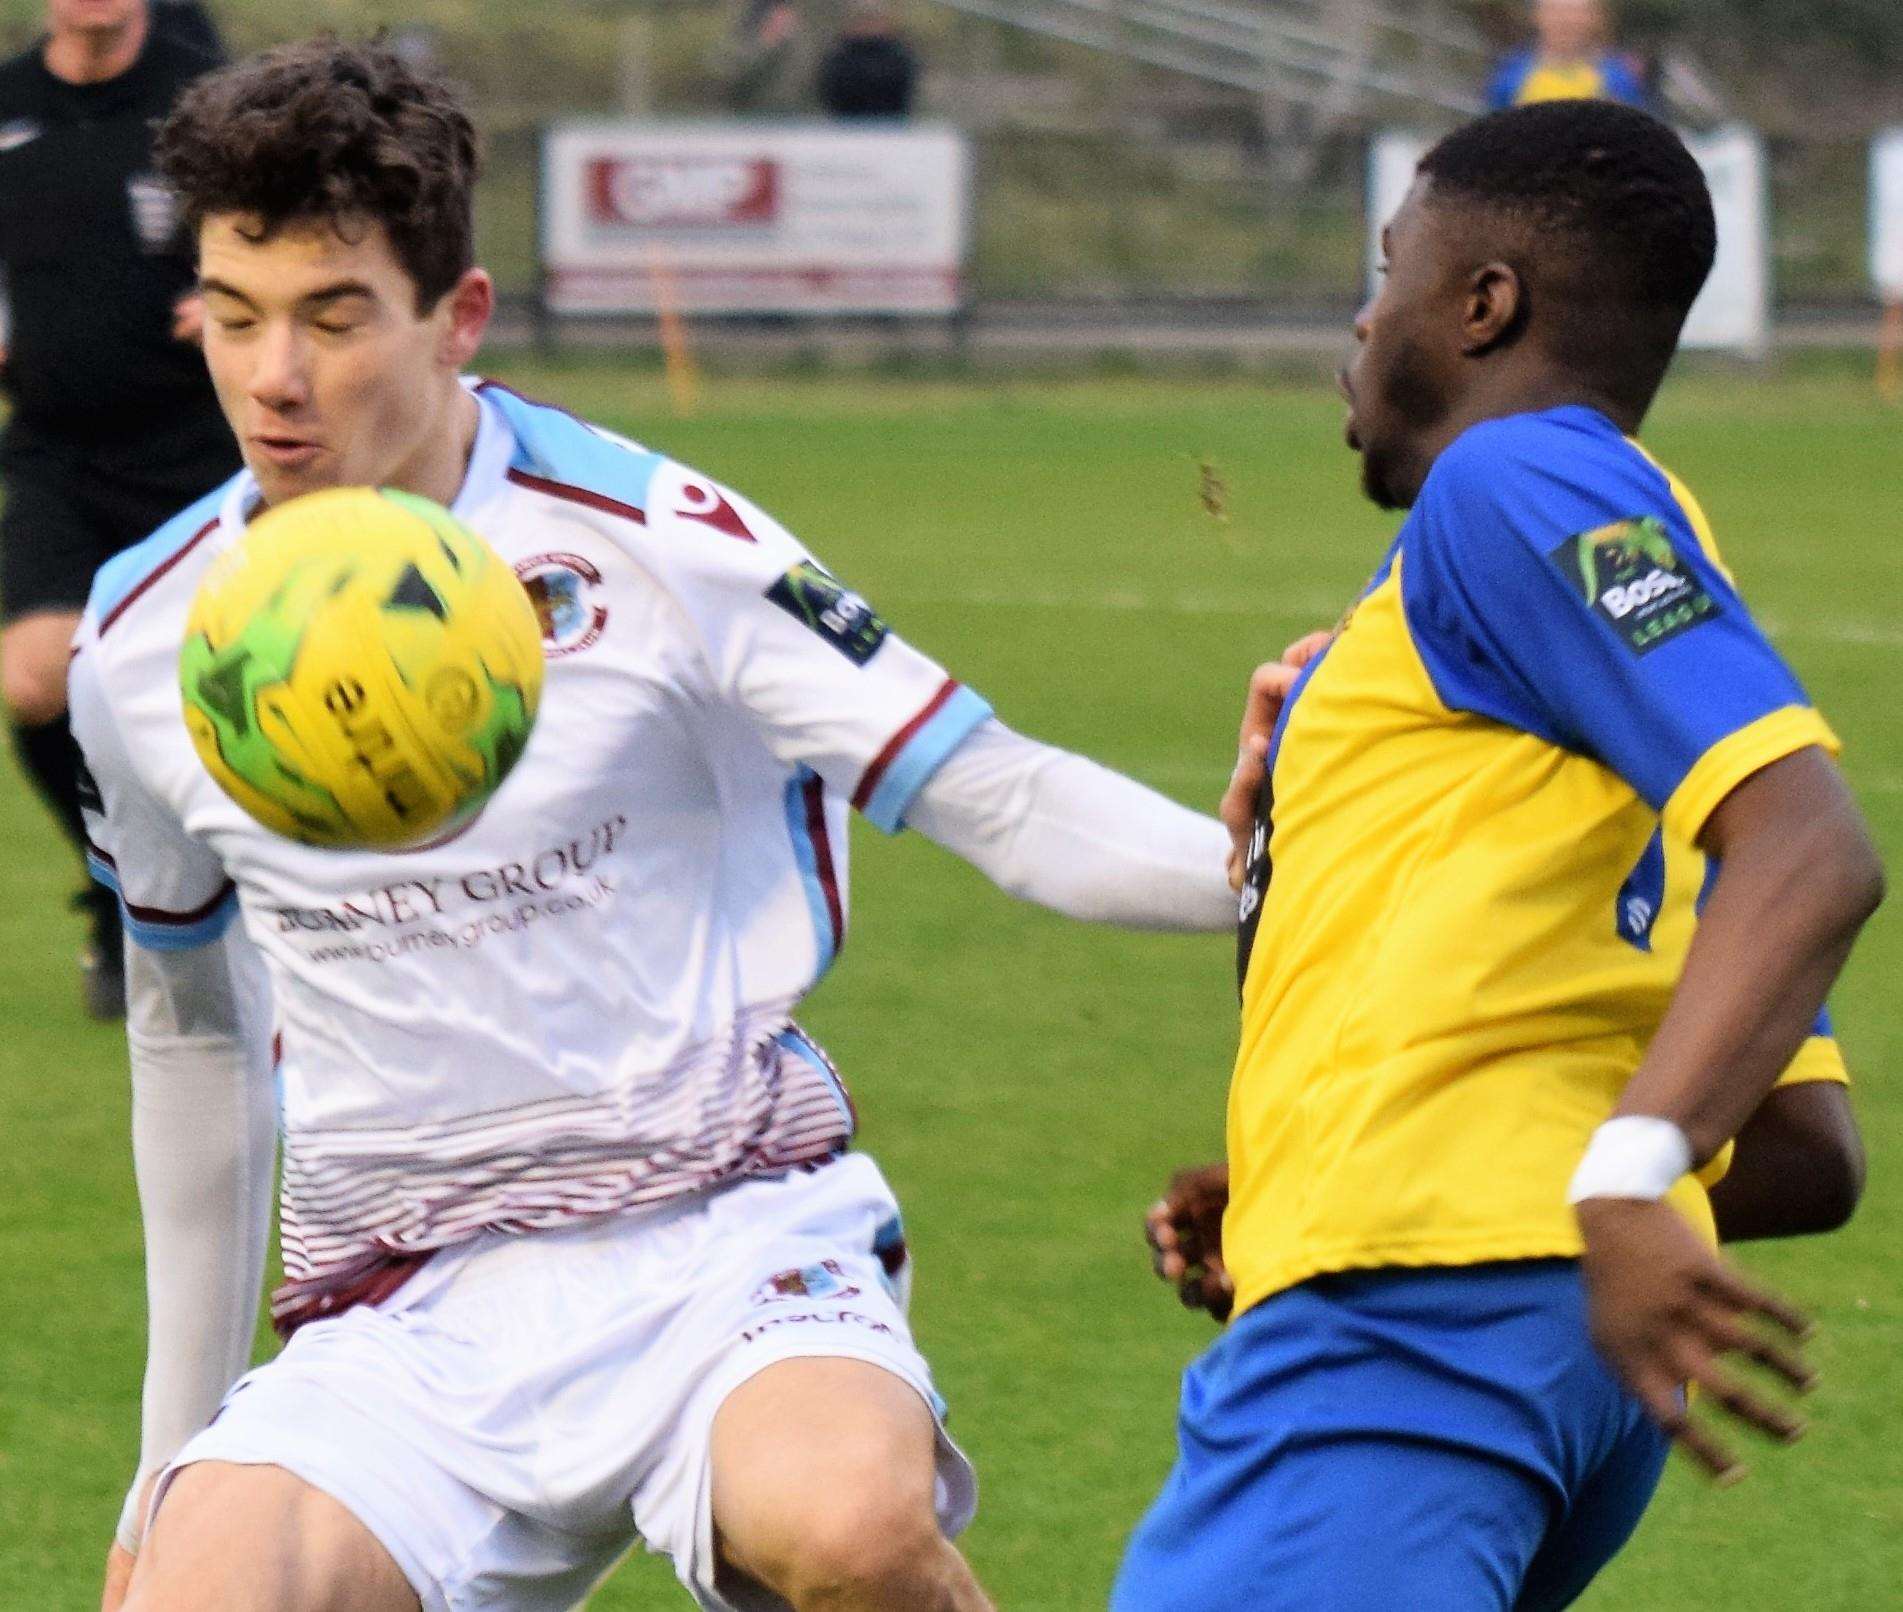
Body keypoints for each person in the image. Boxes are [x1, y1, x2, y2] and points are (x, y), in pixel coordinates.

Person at [77, 38, 1238, 1612]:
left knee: (847, 1529)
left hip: (728, 1240)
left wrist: (1289, 883)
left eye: (336, 318)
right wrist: (167, 1457)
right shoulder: (146, 642)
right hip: (404, 1307)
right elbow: (194, 1034)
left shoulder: (660, 547)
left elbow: (1002, 795)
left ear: (457, 317)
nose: (274, 378)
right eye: (235, 315)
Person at [1111, 99, 1885, 1612]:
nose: (1360, 312)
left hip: (1415, 1329)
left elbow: (1810, 848)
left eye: (1389, 265)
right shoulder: (1616, 659)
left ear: (1482, 304)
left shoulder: (1511, 480)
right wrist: (1296, 1180)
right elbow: (1801, 1153)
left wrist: (1614, 1177)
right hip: (1535, 1342)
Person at [0, 0, 233, 1020]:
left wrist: (233, 287)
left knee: (214, 686)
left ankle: (247, 902)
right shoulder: (7, 104)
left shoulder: (205, 98)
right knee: (35, 684)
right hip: (57, 447)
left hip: (201, 448)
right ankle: (115, 890)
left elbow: (288, 218)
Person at [1486, 0, 1645, 111]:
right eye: (1555, 11)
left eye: (1575, 13)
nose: (1565, 20)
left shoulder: (1618, 78)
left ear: (1594, 18)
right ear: (1537, 16)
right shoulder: (1510, 74)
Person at [816, 0, 920, 121]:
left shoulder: (898, 56)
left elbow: (904, 91)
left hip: (891, 128)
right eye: (863, 19)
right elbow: (831, 92)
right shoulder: (839, 57)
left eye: (872, 19)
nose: (868, 25)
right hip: (845, 129)